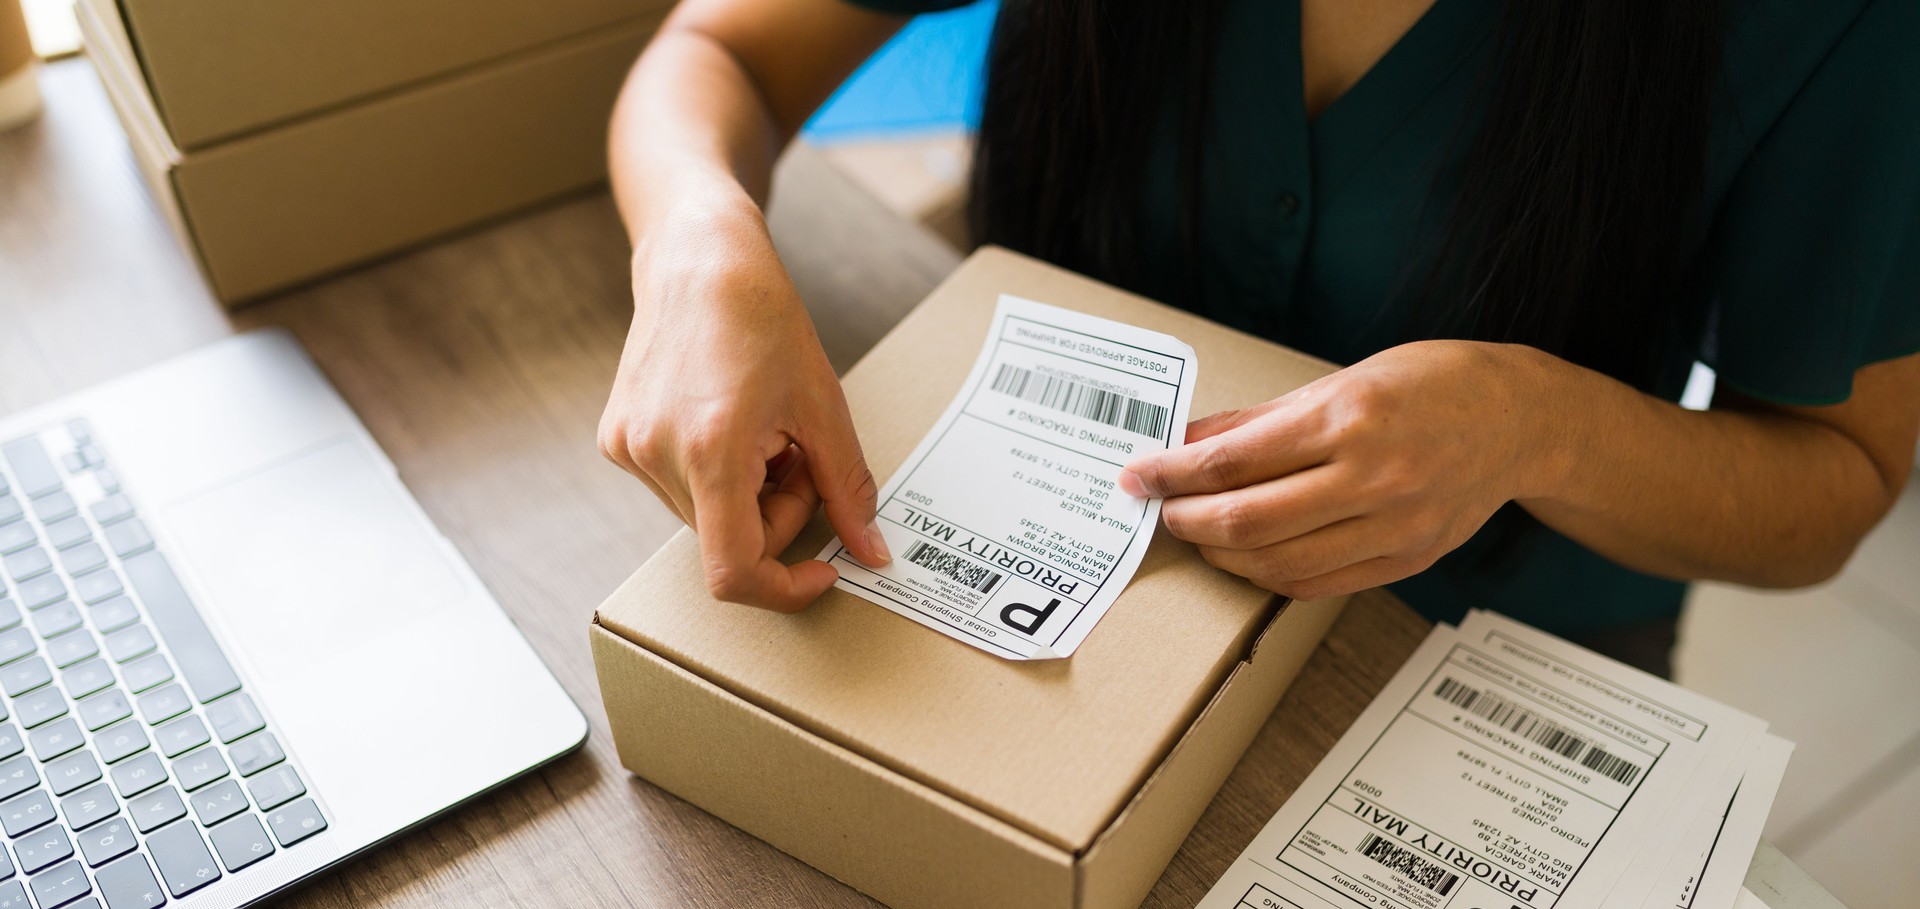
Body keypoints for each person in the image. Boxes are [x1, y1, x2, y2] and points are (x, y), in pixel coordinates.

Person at [596, 0, 1920, 676]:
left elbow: (1836, 479)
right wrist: (698, 248)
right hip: (1046, 553)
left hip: (1484, 648)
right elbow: (720, 49)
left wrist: (1533, 424)